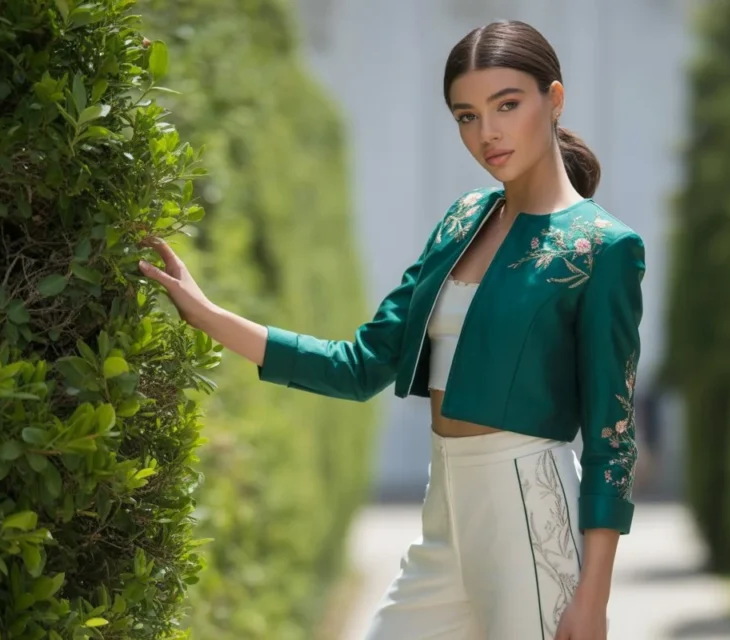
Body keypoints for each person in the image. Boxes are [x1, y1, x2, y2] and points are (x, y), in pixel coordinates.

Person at [139, 19, 645, 640]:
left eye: (507, 105)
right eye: (466, 115)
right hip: (445, 509)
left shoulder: (604, 247)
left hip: (529, 510)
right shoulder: (463, 219)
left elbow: (611, 437)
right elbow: (360, 366)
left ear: (554, 99)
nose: (487, 133)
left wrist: (592, 598)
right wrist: (210, 317)